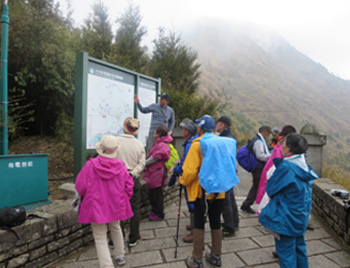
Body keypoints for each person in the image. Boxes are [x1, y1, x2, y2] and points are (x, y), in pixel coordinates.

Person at [180, 115, 238, 268]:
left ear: (200, 127)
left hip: (202, 192)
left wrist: (182, 181)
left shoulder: (197, 144)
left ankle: (197, 259)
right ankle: (216, 256)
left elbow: (190, 171)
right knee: (216, 221)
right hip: (219, 191)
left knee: (199, 223)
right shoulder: (221, 143)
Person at [259, 133, 318, 268]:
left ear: (290, 148)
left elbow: (271, 189)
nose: (281, 145)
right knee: (299, 249)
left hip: (287, 217)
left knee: (286, 254)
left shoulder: (286, 167)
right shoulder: (303, 165)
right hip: (300, 215)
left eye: (284, 143)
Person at [75, 135, 134, 267]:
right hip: (115, 204)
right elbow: (129, 186)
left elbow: (80, 186)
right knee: (116, 227)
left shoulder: (90, 165)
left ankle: (107, 265)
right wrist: (123, 199)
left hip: (96, 205)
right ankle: (120, 256)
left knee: (100, 236)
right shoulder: (121, 166)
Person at [115, 117, 146, 247]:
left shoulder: (115, 141)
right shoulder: (139, 144)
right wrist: (133, 172)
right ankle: (134, 237)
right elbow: (142, 163)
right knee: (134, 208)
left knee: (118, 208)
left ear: (124, 127)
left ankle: (117, 238)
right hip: (133, 179)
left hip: (117, 179)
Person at [169, 118, 199, 243]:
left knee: (192, 204)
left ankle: (195, 232)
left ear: (188, 132)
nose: (182, 131)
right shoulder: (192, 141)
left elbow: (187, 163)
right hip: (195, 177)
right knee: (194, 204)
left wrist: (175, 169)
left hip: (191, 178)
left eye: (184, 129)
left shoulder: (191, 144)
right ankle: (193, 226)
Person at [215, 115, 239, 236]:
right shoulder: (230, 136)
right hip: (230, 171)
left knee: (225, 200)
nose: (216, 126)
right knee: (231, 199)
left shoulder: (225, 138)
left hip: (225, 172)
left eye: (217, 124)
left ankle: (230, 228)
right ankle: (234, 223)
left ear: (222, 125)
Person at [241, 125, 272, 214]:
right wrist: (271, 156)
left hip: (256, 167)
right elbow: (260, 156)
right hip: (258, 167)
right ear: (265, 132)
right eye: (268, 133)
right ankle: (246, 205)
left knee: (256, 186)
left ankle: (246, 204)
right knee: (257, 186)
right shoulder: (259, 142)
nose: (269, 135)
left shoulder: (256, 139)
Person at [144, 125, 172, 221]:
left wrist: (143, 163)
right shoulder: (161, 143)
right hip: (155, 171)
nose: (154, 133)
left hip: (157, 172)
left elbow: (154, 158)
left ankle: (159, 214)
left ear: (159, 134)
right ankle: (154, 211)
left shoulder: (162, 145)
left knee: (157, 194)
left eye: (155, 132)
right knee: (153, 193)